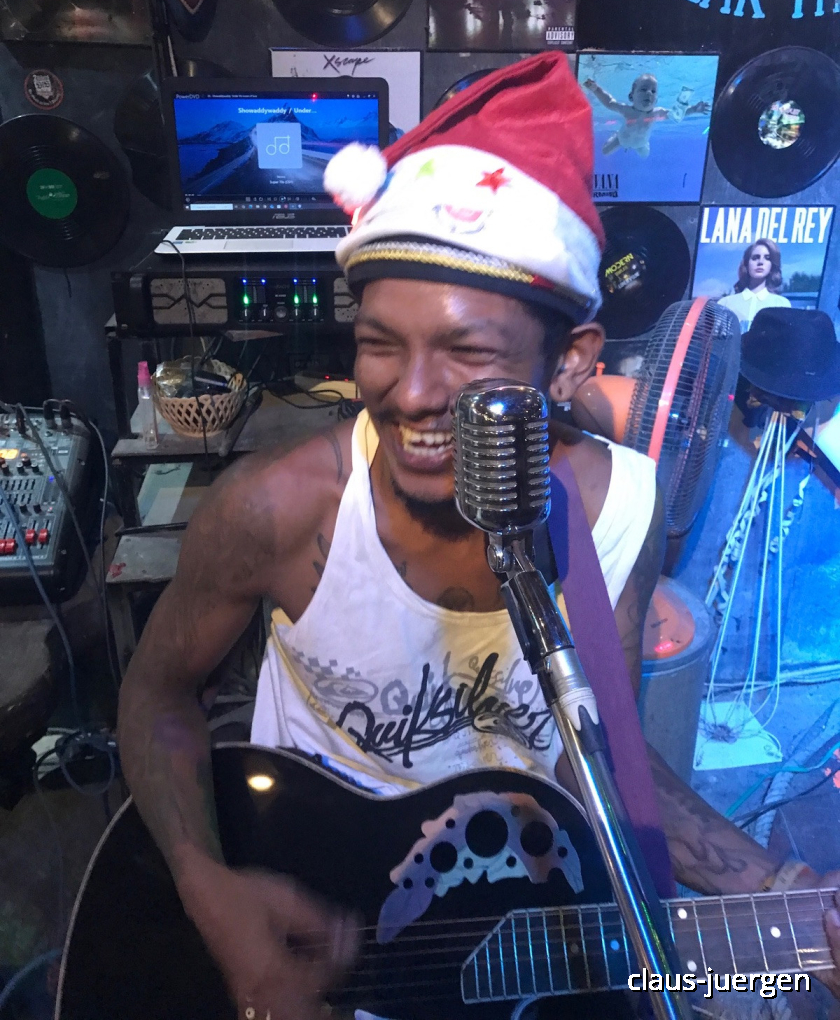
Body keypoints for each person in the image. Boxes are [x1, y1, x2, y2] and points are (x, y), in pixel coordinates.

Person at [117, 54, 840, 1020]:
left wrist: (786, 892)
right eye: (379, 342)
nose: (409, 393)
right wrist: (206, 887)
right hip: (314, 915)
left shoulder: (617, 512)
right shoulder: (278, 509)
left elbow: (607, 754)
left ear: (569, 363)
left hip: (517, 917)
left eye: (467, 351)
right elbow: (155, 691)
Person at [582, 72, 711, 158]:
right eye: (643, 89)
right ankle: (616, 134)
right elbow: (609, 102)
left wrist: (694, 109)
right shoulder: (627, 110)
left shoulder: (657, 112)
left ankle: (642, 144)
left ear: (656, 100)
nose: (649, 93)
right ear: (631, 96)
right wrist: (595, 89)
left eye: (653, 91)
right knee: (605, 151)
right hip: (621, 140)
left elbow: (675, 114)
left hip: (641, 144)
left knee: (645, 156)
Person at [717, 238, 792, 334]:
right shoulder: (725, 304)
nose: (760, 262)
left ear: (772, 265)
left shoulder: (781, 304)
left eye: (767, 258)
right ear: (746, 264)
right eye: (755, 257)